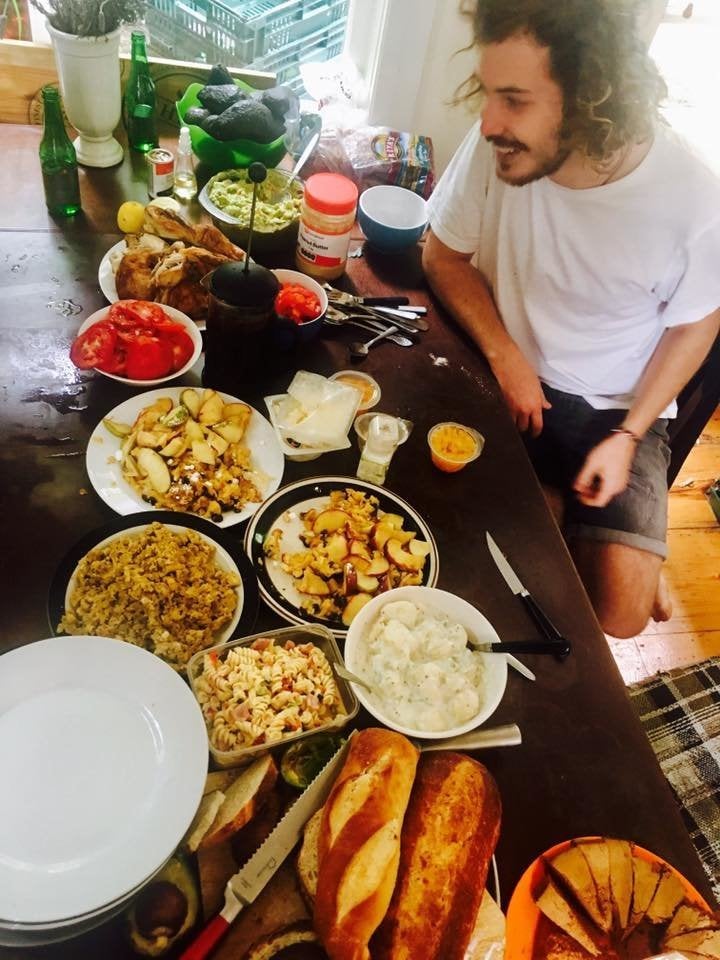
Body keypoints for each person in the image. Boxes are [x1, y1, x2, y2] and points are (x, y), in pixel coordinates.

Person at [424, 0, 720, 638]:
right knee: (460, 544)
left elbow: (698, 324)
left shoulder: (693, 196)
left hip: (614, 408)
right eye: (488, 91)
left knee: (621, 621)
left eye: (515, 98)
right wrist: (506, 356)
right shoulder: (497, 146)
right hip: (507, 373)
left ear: (591, 97)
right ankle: (589, 532)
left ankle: (593, 535)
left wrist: (630, 434)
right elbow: (441, 255)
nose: (488, 120)